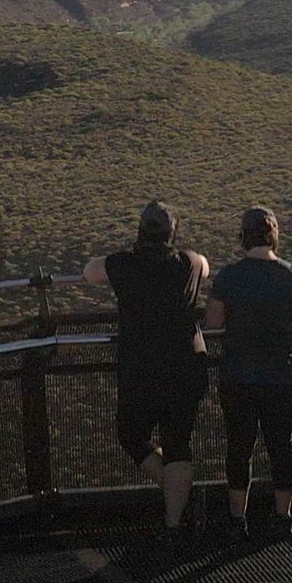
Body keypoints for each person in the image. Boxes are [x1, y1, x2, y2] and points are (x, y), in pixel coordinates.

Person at [81, 200, 210, 536]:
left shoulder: (125, 265)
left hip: (141, 368)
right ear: (173, 234)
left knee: (131, 434)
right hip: (186, 365)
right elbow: (206, 266)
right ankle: (174, 521)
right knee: (178, 441)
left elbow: (90, 272)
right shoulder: (189, 263)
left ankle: (182, 496)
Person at [205, 205, 292, 539]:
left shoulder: (229, 277)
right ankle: (284, 517)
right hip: (283, 376)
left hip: (238, 375)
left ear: (243, 237)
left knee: (240, 447)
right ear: (273, 236)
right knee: (283, 446)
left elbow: (213, 321)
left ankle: (238, 519)